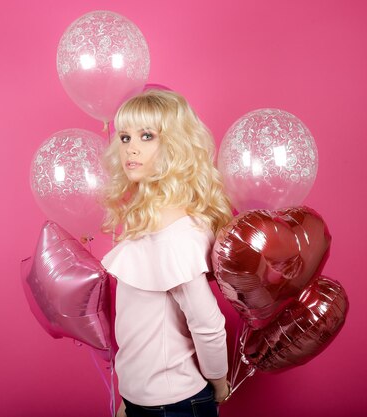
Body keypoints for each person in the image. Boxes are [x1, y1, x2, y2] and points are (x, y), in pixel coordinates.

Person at [101, 89, 233, 417]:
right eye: (125, 136)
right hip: (142, 400)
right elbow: (140, 326)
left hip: (175, 405)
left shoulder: (177, 234)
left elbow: (208, 323)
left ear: (174, 145)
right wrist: (128, 398)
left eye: (147, 136)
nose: (131, 147)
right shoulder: (145, 221)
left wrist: (217, 381)